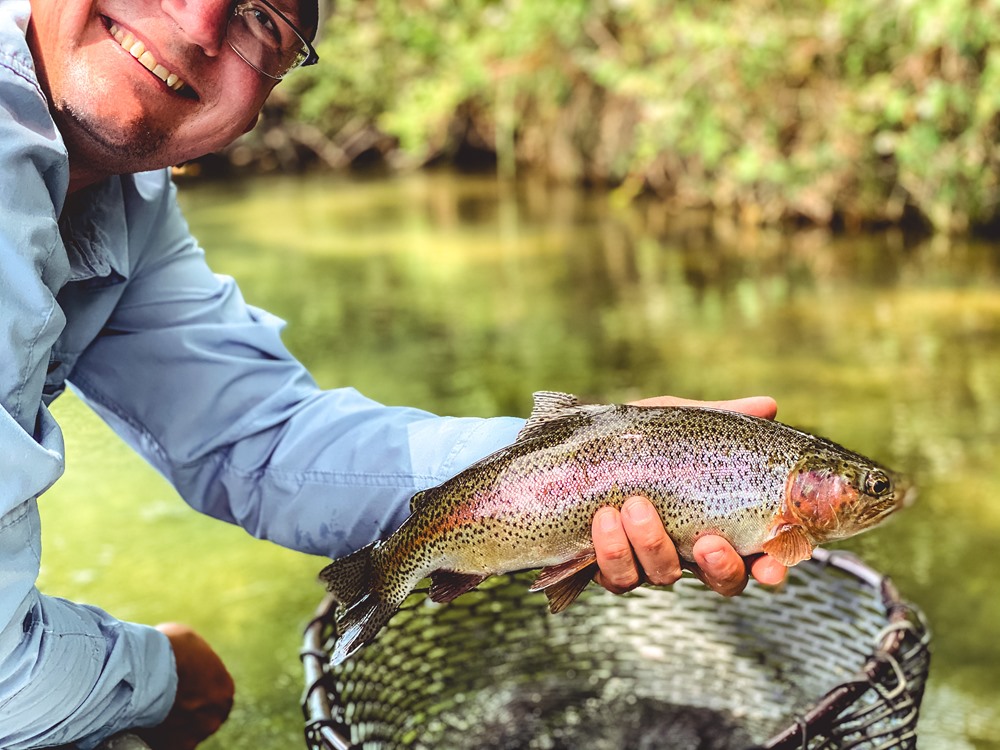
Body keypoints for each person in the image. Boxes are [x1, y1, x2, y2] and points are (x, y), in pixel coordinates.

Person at [0, 0, 787, 747]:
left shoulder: (128, 196)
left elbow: (261, 439)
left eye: (264, 18)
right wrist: (168, 679)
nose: (201, 21)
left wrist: (584, 462)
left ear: (278, 81)